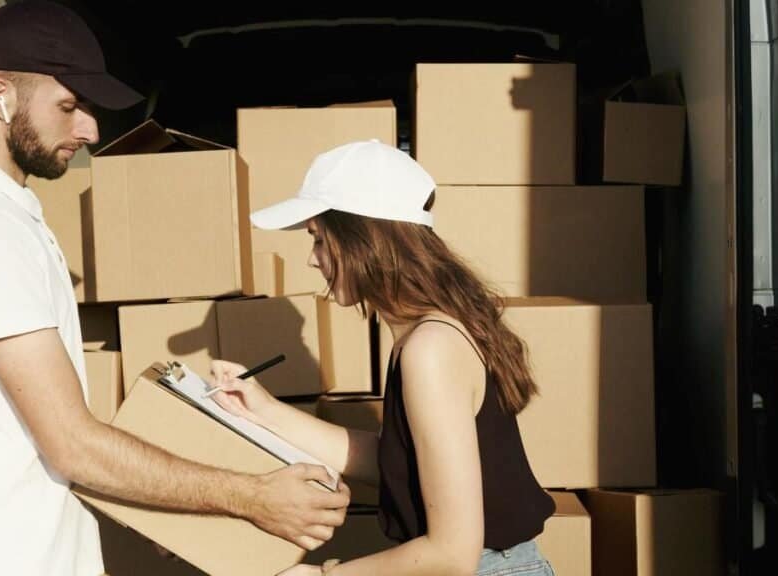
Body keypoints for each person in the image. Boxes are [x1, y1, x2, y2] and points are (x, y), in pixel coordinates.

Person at [0, 2, 347, 575]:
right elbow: (73, 445)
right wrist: (253, 497)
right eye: (69, 106)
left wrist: (170, 504)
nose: (90, 129)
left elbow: (43, 441)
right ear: (0, 98)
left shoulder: (0, 217)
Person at [211, 139, 557, 576]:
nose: (312, 259)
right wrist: (263, 411)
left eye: (318, 239)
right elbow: (397, 463)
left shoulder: (429, 349)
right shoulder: (427, 335)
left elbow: (453, 553)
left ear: (363, 238)